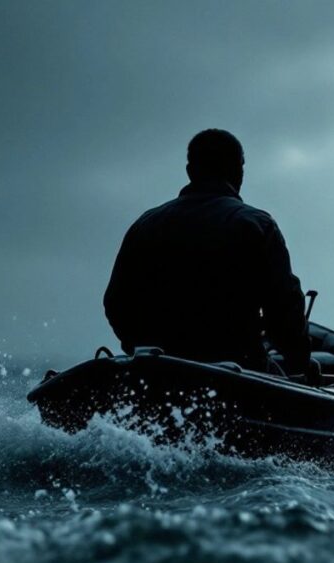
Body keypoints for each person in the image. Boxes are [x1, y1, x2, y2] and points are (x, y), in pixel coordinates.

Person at [104, 129, 311, 377]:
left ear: (190, 171)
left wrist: (139, 349)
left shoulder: (145, 224)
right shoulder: (257, 224)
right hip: (238, 370)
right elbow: (283, 307)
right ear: (239, 171)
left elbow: (116, 303)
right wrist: (301, 361)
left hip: (154, 371)